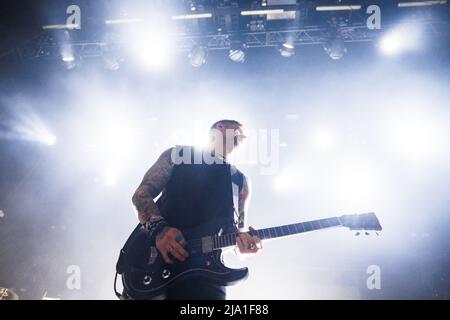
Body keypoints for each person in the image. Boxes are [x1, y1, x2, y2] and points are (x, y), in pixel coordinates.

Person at [131, 119, 262, 299]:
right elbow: (141, 195)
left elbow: (235, 232)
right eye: (238, 130)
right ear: (219, 128)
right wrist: (160, 230)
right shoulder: (178, 155)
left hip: (208, 274)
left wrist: (243, 247)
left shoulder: (240, 181)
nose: (243, 135)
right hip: (157, 263)